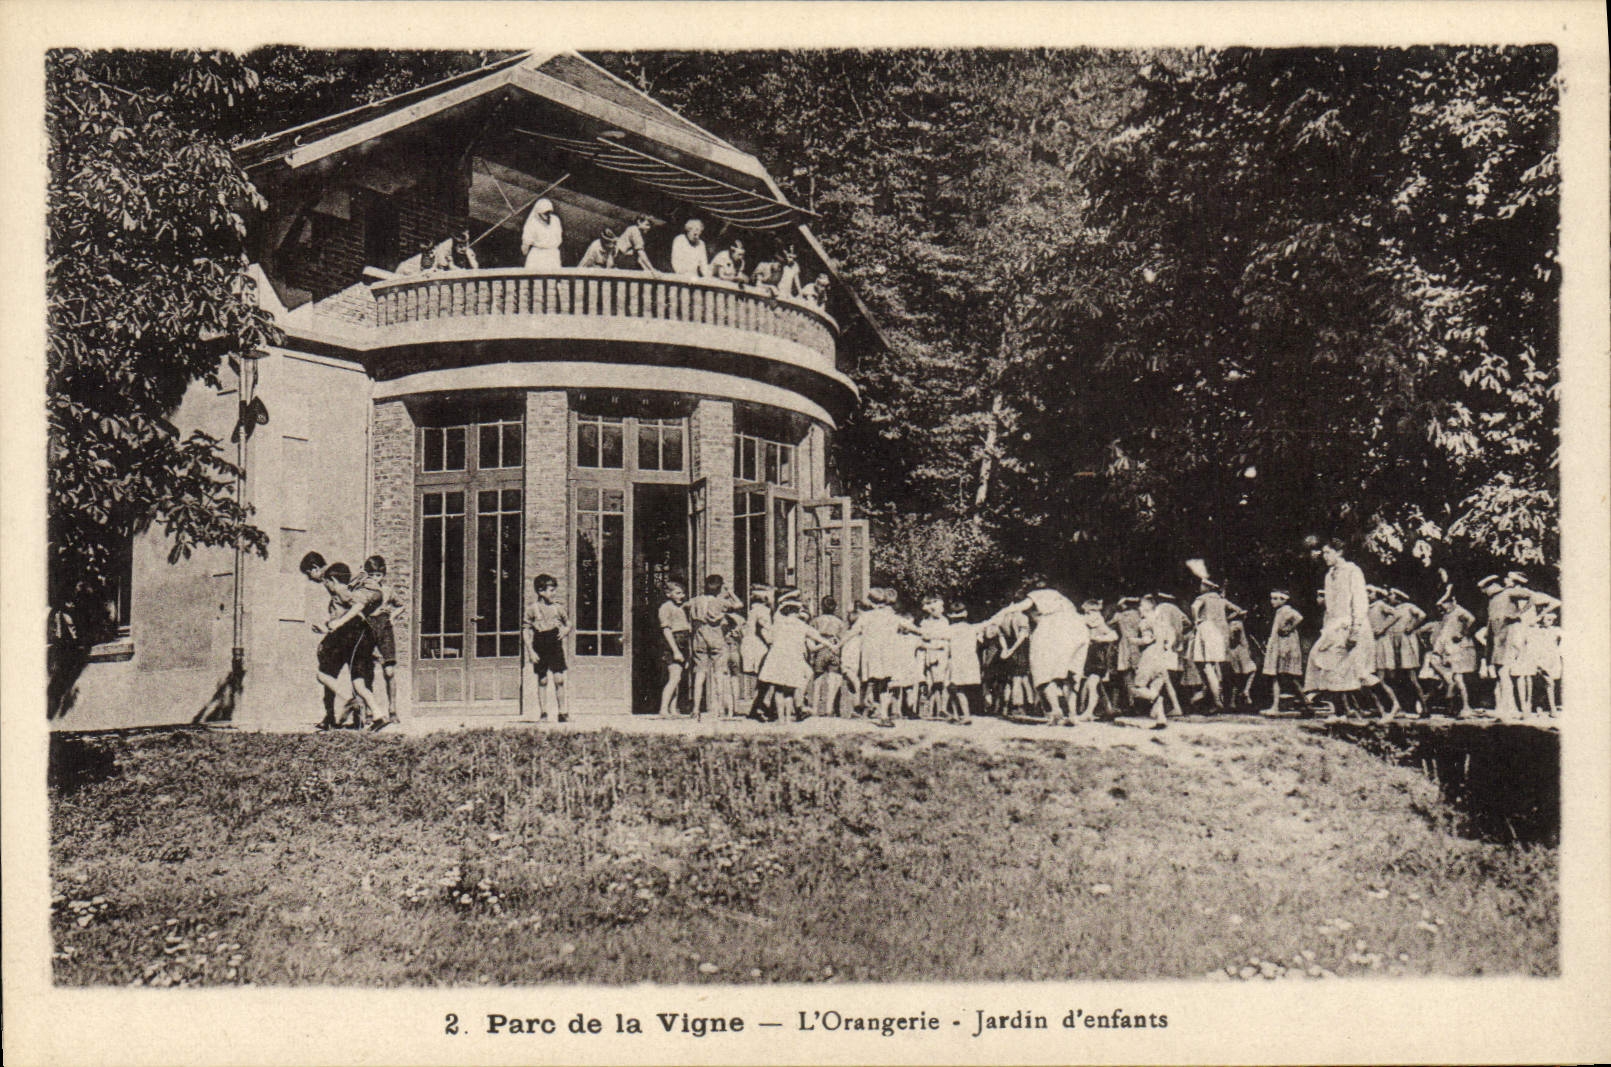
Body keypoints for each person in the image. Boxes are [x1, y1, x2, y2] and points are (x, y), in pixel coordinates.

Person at [1301, 537, 1398, 718]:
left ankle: (1392, 706)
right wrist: (1327, 631)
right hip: (1334, 628)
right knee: (1323, 661)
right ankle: (1340, 713)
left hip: (1354, 627)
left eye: (1328, 553)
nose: (1325, 557)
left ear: (1339, 552)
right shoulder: (1329, 576)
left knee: (1359, 671)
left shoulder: (1353, 571)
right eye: (1323, 553)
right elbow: (1330, 608)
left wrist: (1354, 631)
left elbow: (1360, 603)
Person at [986, 582, 1086, 726]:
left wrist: (999, 614)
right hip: (1078, 630)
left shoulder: (1039, 596)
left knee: (1041, 671)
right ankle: (1072, 714)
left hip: (1054, 630)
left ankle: (1056, 709)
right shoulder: (1064, 601)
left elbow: (1020, 606)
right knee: (1071, 673)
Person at [311, 561, 381, 730]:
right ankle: (379, 716)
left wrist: (334, 624)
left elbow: (356, 607)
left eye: (327, 581)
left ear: (333, 581)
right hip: (352, 637)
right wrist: (327, 625)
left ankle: (349, 701)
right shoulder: (344, 591)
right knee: (358, 681)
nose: (326, 585)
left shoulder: (343, 591)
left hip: (348, 638)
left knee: (323, 675)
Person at [354, 555, 406, 731]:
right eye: (373, 575)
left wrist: (391, 616)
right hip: (368, 628)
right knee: (367, 670)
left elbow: (401, 605)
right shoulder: (364, 590)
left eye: (379, 575)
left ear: (383, 575)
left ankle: (392, 709)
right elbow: (355, 607)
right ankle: (369, 712)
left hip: (384, 629)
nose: (376, 578)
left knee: (389, 671)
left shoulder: (387, 590)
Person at [757, 601, 833, 722]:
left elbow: (769, 637)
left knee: (778, 689)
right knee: (789, 690)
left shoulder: (777, 624)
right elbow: (817, 637)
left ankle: (781, 719)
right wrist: (830, 644)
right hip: (793, 658)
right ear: (795, 612)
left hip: (777, 658)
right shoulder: (801, 625)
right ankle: (787, 718)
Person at [685, 574, 743, 720]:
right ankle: (719, 710)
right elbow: (739, 605)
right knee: (719, 674)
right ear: (720, 587)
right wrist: (730, 592)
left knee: (699, 673)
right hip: (717, 638)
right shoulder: (721, 602)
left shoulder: (696, 600)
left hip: (699, 638)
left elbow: (685, 606)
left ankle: (696, 709)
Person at [523, 573, 571, 723]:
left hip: (554, 644)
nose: (554, 593)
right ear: (540, 591)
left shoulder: (558, 608)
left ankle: (563, 712)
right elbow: (526, 630)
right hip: (539, 644)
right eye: (551, 590)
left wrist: (565, 630)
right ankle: (544, 713)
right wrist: (530, 651)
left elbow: (568, 623)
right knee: (542, 679)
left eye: (554, 590)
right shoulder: (532, 609)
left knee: (559, 679)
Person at [1188, 576, 1240, 711]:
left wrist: (1197, 620)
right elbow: (1238, 610)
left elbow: (1194, 608)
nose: (1200, 588)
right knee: (1217, 666)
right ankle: (1215, 697)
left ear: (1207, 587)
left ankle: (1216, 699)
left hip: (1207, 630)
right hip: (1222, 633)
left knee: (1206, 665)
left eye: (1202, 585)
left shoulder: (1203, 598)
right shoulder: (1221, 600)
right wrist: (1226, 619)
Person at [1131, 594, 1181, 729]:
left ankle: (1158, 698)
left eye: (1140, 606)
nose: (1139, 609)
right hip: (1161, 659)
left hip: (1148, 658)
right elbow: (1171, 636)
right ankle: (1161, 718)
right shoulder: (1163, 622)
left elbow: (1147, 640)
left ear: (1147, 607)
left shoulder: (1145, 622)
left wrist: (1134, 640)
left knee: (1137, 689)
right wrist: (1168, 646)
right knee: (1154, 687)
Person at [1425, 586, 1477, 718]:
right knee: (1447, 680)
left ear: (1452, 601)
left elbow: (1471, 619)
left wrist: (1462, 633)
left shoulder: (1459, 611)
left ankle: (1465, 707)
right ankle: (1451, 706)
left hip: (1456, 649)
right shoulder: (1447, 615)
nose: (1444, 608)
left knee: (1457, 679)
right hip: (1445, 650)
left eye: (1446, 604)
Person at [1260, 590, 1307, 715]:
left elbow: (1298, 617)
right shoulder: (1280, 612)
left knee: (1284, 677)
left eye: (1276, 598)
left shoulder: (1286, 610)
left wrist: (1288, 629)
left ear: (1283, 599)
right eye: (1272, 598)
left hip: (1284, 647)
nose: (1272, 601)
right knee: (1281, 677)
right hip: (1279, 645)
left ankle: (1304, 704)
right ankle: (1303, 704)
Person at [1384, 588, 1429, 716]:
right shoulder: (1391, 610)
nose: (1389, 597)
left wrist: (1412, 626)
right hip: (1394, 644)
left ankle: (1425, 708)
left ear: (1398, 596)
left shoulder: (1408, 606)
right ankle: (1402, 708)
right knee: (1397, 677)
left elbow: (1422, 615)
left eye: (1391, 595)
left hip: (1406, 644)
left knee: (1411, 677)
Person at [944, 601, 987, 724]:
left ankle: (965, 715)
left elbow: (946, 645)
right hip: (969, 660)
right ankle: (956, 715)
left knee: (955, 688)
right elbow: (980, 640)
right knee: (954, 688)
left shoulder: (949, 629)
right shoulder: (972, 628)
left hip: (956, 660)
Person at [656, 579, 692, 717]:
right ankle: (663, 709)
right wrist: (676, 650)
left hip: (683, 642)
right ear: (668, 594)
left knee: (678, 678)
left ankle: (673, 708)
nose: (681, 596)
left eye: (682, 593)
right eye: (677, 593)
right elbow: (666, 630)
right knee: (674, 678)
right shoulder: (666, 608)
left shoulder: (682, 607)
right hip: (673, 643)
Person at [1079, 598, 1119, 720]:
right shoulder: (1086, 622)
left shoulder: (1099, 623)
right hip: (1089, 656)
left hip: (1098, 657)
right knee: (1097, 686)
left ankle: (1089, 712)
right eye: (1087, 613)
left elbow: (1114, 635)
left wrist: (1099, 639)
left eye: (1090, 612)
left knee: (1092, 684)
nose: (1088, 615)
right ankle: (1109, 709)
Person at [808, 596, 848, 717]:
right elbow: (843, 638)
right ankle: (829, 709)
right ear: (835, 608)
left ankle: (814, 708)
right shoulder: (839, 622)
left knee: (818, 679)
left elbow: (811, 636)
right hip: (834, 649)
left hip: (820, 649)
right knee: (832, 679)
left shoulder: (816, 621)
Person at [739, 585, 774, 719]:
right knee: (765, 677)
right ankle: (759, 707)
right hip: (758, 646)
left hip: (750, 644)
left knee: (762, 679)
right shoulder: (762, 611)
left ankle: (757, 707)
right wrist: (772, 642)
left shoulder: (753, 610)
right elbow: (764, 629)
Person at [917, 595, 951, 719]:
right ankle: (930, 709)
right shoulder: (924, 623)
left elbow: (947, 638)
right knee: (932, 682)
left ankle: (942, 708)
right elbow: (922, 640)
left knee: (943, 682)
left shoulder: (944, 621)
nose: (942, 610)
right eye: (939, 607)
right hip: (931, 654)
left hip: (943, 653)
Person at [1110, 596, 1144, 716]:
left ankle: (1131, 703)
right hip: (1138, 644)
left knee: (1127, 675)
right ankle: (1138, 703)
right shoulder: (1139, 615)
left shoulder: (1120, 616)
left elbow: (1109, 625)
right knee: (1137, 674)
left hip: (1125, 645)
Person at [521, 198, 563, 271]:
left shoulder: (555, 220)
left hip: (552, 254)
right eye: (545, 212)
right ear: (538, 212)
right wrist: (525, 249)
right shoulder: (532, 222)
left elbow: (558, 236)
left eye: (549, 212)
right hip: (538, 254)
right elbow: (526, 240)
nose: (547, 215)